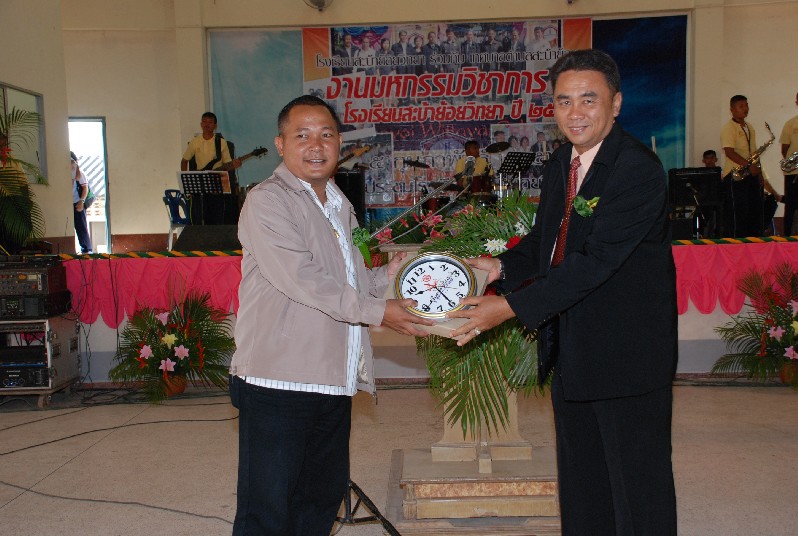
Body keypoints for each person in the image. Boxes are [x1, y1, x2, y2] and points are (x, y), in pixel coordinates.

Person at [447, 49, 678, 535]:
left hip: (627, 354)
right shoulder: (561, 163)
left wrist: (509, 307)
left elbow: (595, 262)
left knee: (637, 488)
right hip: (573, 348)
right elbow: (546, 240)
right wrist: (500, 266)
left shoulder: (636, 169)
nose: (575, 113)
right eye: (563, 101)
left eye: (589, 99)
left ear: (616, 103)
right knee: (583, 482)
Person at [228, 94, 432, 536]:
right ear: (281, 144)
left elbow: (345, 282)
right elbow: (303, 280)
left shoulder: (339, 203)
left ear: (340, 143)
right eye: (302, 135)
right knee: (268, 511)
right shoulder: (267, 201)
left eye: (326, 135)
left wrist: (389, 277)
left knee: (318, 505)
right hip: (279, 380)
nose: (315, 145)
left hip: (333, 378)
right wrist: (379, 311)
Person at [180, 112, 242, 225]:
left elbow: (228, 164)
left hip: (217, 183)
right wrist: (186, 182)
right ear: (201, 124)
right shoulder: (195, 142)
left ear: (215, 125)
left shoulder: (221, 143)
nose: (207, 124)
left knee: (216, 217)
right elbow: (184, 161)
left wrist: (234, 165)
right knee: (200, 216)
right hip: (200, 183)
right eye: (204, 121)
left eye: (210, 122)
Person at [780, 91, 798, 236]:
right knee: (791, 205)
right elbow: (784, 150)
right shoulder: (790, 124)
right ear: (797, 103)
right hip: (793, 173)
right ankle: (788, 238)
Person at [70, 151, 93, 254]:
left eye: (72, 161)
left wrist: (81, 201)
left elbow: (85, 188)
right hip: (66, 203)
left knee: (81, 226)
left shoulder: (79, 173)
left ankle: (86, 250)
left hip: (77, 202)